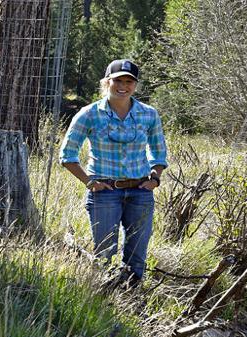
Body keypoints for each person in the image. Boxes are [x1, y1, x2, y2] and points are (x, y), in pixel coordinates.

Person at [60, 59, 167, 285]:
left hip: (140, 191)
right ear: (107, 82)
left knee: (137, 252)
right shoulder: (89, 114)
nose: (123, 86)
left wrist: (154, 178)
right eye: (118, 80)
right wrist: (91, 183)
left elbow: (158, 151)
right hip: (104, 193)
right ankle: (105, 299)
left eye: (129, 81)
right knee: (105, 252)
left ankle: (132, 296)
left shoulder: (149, 114)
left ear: (135, 85)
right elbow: (67, 155)